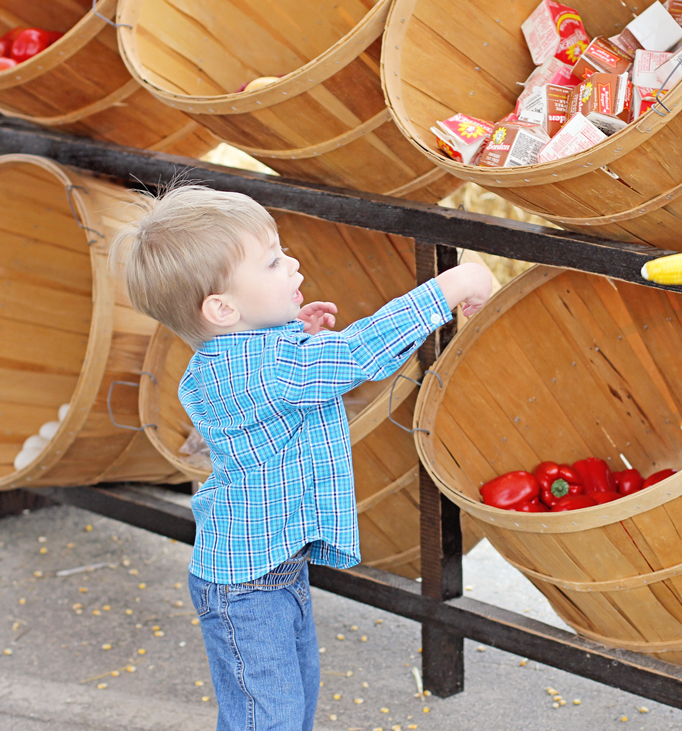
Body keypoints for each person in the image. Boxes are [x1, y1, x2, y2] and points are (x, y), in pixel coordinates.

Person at [109, 185, 493, 731]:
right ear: (222, 308)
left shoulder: (228, 359)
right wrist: (456, 283)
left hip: (261, 570)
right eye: (271, 262)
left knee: (286, 703)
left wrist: (291, 332)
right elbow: (361, 354)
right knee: (271, 717)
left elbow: (274, 383)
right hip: (248, 587)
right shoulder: (275, 369)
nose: (292, 264)